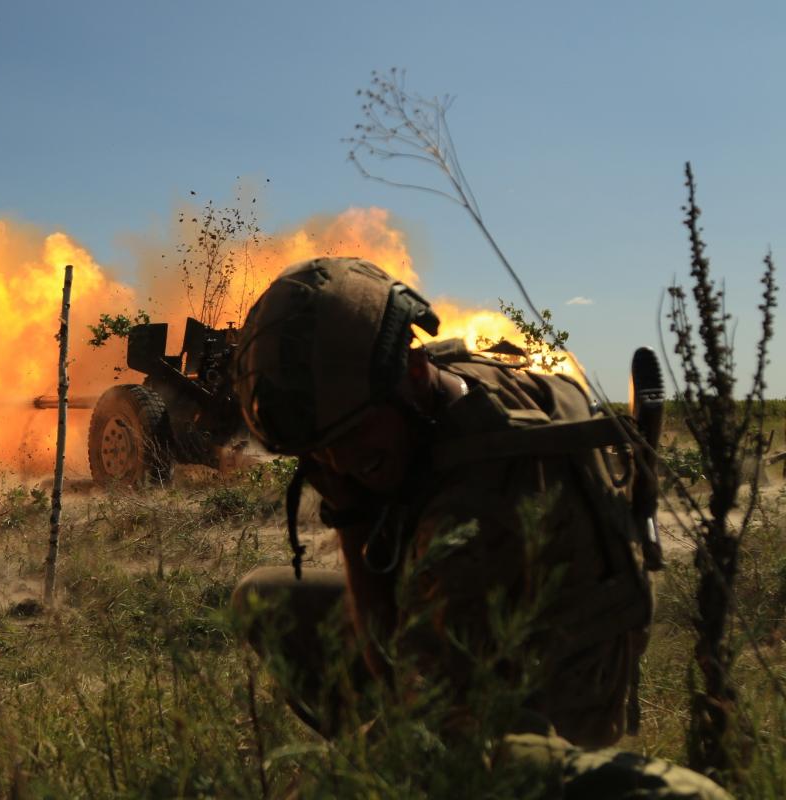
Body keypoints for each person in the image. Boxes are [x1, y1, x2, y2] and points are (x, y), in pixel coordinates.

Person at [230, 257, 728, 798]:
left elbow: (395, 679)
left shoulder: (477, 512)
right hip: (507, 633)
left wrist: (350, 517)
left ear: (413, 375)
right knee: (265, 598)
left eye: (349, 436)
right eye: (316, 454)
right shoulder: (459, 385)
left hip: (548, 705)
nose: (338, 463)